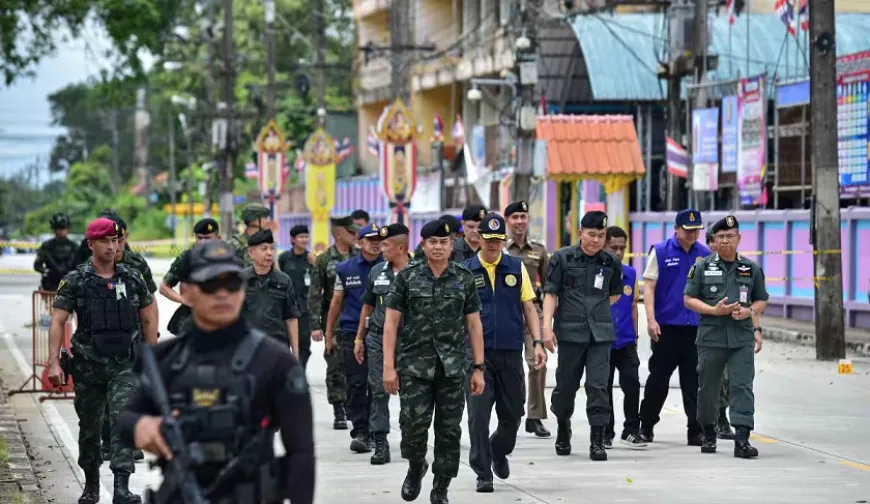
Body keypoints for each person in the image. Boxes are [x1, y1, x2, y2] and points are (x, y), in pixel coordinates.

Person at [118, 240, 315, 503]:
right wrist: (140, 426)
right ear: (186, 291)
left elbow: (301, 454)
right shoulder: (166, 359)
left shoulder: (276, 362)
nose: (222, 293)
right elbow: (125, 420)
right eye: (211, 284)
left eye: (231, 283)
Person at [46, 217, 159, 504]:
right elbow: (58, 321)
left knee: (123, 420)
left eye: (115, 240)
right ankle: (92, 485)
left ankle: (122, 487)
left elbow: (148, 314)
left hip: (124, 365)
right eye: (105, 241)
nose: (112, 246)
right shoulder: (76, 280)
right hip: (88, 367)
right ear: (91, 245)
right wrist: (54, 363)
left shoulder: (132, 277)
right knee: (90, 429)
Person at [382, 219, 485, 504]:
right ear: (423, 245)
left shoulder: (464, 279)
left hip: (452, 368)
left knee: (449, 431)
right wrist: (388, 367)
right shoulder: (407, 276)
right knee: (413, 427)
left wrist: (478, 367)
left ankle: (441, 486)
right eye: (432, 242)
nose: (438, 247)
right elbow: (391, 323)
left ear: (452, 245)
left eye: (444, 242)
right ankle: (416, 466)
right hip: (415, 367)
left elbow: (474, 325)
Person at [462, 213, 546, 493]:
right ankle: (483, 472)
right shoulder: (465, 271)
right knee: (478, 417)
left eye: (499, 239)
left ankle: (499, 450)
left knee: (513, 414)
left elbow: (529, 307)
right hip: (477, 358)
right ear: (479, 238)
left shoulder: (515, 267)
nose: (494, 244)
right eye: (489, 239)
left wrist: (537, 342)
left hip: (510, 353)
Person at [684, 215, 768, 458]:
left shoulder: (752, 269)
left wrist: (750, 312)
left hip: (741, 339)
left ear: (739, 238)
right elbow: (688, 299)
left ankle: (742, 440)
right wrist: (714, 310)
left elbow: (762, 299)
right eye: (720, 237)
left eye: (730, 236)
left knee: (742, 386)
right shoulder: (701, 267)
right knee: (708, 387)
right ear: (713, 241)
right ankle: (709, 432)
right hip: (711, 338)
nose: (725, 241)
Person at [543, 210, 623, 461]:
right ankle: (563, 426)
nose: (596, 240)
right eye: (591, 234)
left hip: (600, 334)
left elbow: (615, 293)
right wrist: (546, 326)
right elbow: (550, 293)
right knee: (566, 386)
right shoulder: (562, 258)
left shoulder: (611, 261)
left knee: (598, 386)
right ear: (580, 233)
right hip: (570, 333)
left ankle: (597, 440)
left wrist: (594, 311)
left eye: (601, 235)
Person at [639, 209, 710, 445]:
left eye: (696, 230)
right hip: (666, 328)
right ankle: (646, 425)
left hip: (695, 328)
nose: (692, 235)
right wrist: (651, 320)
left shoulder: (705, 254)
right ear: (676, 229)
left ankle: (696, 430)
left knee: (694, 382)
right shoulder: (660, 251)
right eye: (688, 230)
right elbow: (648, 287)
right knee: (658, 380)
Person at [98, 214, 157, 463]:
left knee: (132, 392)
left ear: (125, 238)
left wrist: (150, 342)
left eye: (120, 240)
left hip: (131, 338)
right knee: (104, 396)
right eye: (111, 240)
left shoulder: (137, 264)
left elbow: (150, 304)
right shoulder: (94, 264)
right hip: (100, 342)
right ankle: (108, 442)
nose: (116, 247)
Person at [354, 223, 410, 465]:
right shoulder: (377, 271)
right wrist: (359, 338)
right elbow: (367, 306)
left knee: (411, 392)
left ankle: (410, 438)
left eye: (385, 244)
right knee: (378, 389)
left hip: (409, 339)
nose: (381, 248)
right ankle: (380, 442)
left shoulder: (419, 271)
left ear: (400, 247)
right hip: (377, 336)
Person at [325, 223, 384, 452]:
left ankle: (375, 429)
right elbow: (336, 302)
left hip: (381, 333)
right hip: (351, 333)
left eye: (379, 239)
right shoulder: (345, 269)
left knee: (377, 384)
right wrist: (329, 333)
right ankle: (360, 430)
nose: (375, 243)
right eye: (370, 239)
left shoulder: (389, 267)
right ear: (360, 242)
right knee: (357, 383)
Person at [504, 200, 551, 438]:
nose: (520, 222)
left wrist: (549, 324)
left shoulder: (539, 250)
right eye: (515, 218)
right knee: (510, 368)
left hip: (532, 313)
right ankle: (510, 415)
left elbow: (549, 285)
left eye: (523, 217)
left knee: (537, 363)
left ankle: (534, 416)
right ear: (507, 222)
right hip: (505, 314)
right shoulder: (499, 247)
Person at [308, 215, 359, 429]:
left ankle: (353, 406)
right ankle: (339, 408)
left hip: (357, 316)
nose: (356, 235)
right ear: (339, 233)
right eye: (351, 232)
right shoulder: (325, 259)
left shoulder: (361, 256)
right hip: (334, 318)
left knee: (356, 366)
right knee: (335, 365)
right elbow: (315, 293)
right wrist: (315, 325)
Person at [603, 226, 646, 449]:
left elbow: (633, 309)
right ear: (604, 245)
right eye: (614, 248)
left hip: (627, 341)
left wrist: (636, 336)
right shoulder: (598, 273)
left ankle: (631, 429)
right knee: (604, 386)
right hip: (603, 341)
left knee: (632, 384)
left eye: (622, 248)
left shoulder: (630, 274)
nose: (618, 253)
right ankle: (605, 432)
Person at [242, 229, 301, 353]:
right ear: (251, 253)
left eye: (272, 248)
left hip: (277, 349)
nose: (269, 253)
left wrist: (295, 354)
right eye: (264, 249)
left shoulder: (283, 280)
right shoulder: (240, 280)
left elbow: (291, 319)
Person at [160, 217, 220, 337]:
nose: (202, 242)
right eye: (199, 238)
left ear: (218, 239)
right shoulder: (187, 258)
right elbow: (164, 288)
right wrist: (185, 300)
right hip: (191, 321)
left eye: (207, 238)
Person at [706, 228, 735, 440]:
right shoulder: (702, 268)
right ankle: (712, 421)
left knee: (730, 379)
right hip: (707, 333)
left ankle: (723, 417)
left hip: (733, 334)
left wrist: (756, 329)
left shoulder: (741, 268)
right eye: (716, 240)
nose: (721, 244)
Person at [279, 225, 315, 369]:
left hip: (304, 308)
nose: (305, 240)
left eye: (306, 236)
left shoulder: (311, 258)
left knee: (304, 342)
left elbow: (320, 282)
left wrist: (315, 265)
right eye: (301, 237)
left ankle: (300, 371)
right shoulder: (284, 258)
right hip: (286, 306)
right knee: (284, 340)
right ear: (292, 240)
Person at [34, 212, 78, 292]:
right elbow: (37, 265)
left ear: (68, 229)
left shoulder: (74, 246)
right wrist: (45, 271)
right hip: (50, 285)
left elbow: (82, 264)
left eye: (63, 228)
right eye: (59, 228)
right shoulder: (46, 246)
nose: (61, 231)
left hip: (70, 286)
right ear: (54, 229)